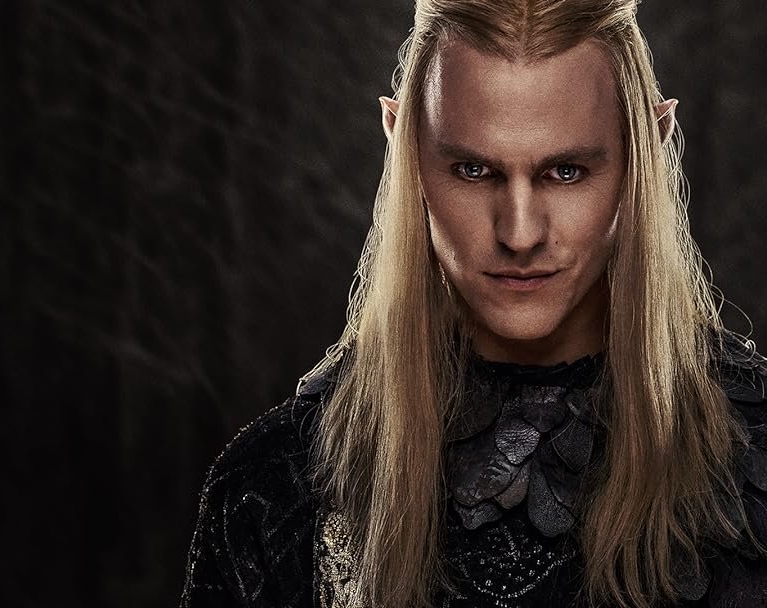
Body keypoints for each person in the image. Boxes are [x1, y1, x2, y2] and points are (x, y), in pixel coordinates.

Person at [180, 0, 767, 606]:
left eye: (566, 172)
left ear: (651, 148)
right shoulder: (273, 491)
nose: (520, 233)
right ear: (401, 145)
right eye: (473, 170)